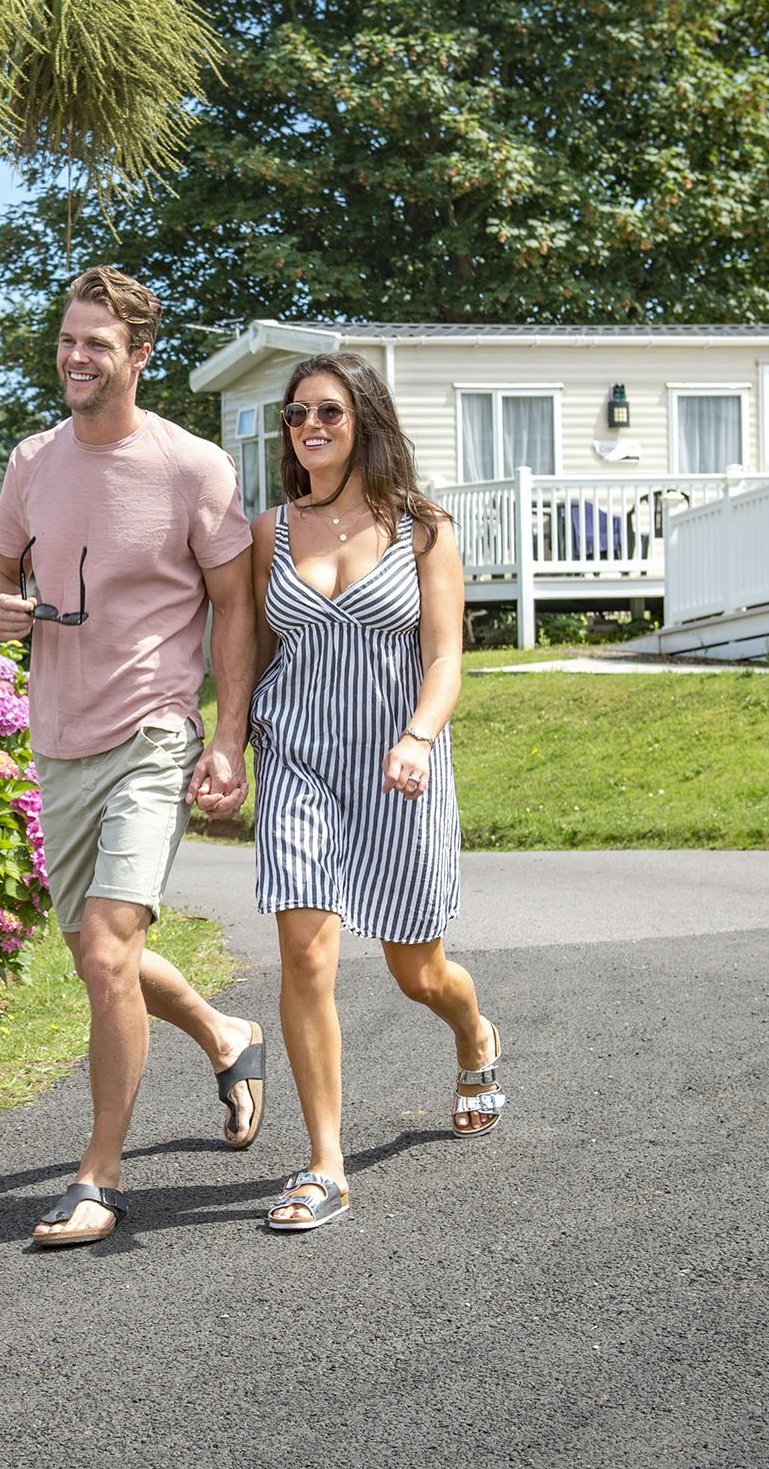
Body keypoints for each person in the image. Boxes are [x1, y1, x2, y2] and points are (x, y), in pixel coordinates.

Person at [0, 265, 265, 1249]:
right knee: (99, 956)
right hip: (59, 736)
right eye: (67, 340)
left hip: (154, 730)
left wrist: (225, 737)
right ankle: (225, 1033)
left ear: (139, 356)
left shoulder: (193, 468)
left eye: (95, 344)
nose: (75, 357)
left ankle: (97, 1176)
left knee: (108, 950)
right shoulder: (31, 460)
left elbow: (235, 607)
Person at [246, 351, 505, 1234]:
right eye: (296, 414)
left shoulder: (422, 528)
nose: (309, 426)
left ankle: (474, 1034)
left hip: (399, 766)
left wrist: (419, 736)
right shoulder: (269, 532)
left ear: (366, 422)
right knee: (305, 954)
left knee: (417, 972)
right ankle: (325, 1164)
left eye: (328, 411)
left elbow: (445, 657)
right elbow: (252, 650)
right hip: (297, 758)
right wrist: (226, 741)